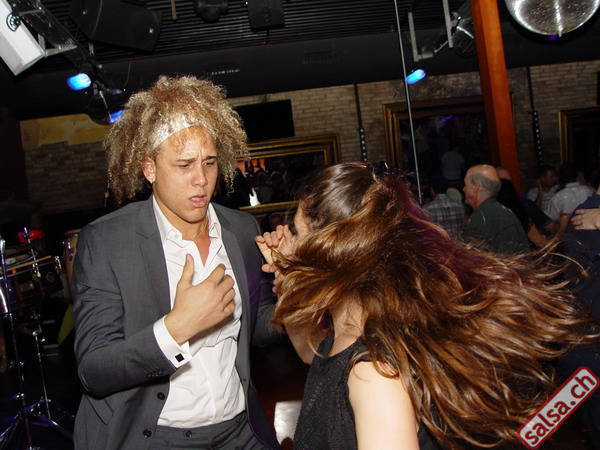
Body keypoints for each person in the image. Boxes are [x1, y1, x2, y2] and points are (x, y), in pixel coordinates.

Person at [256, 162, 598, 449]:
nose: (289, 244)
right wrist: (288, 280)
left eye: (297, 233)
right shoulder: (352, 329)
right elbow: (312, 354)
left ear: (335, 250)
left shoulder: (374, 376)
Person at [72, 76, 280, 450]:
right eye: (184, 165)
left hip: (239, 429)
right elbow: (94, 370)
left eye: (210, 163)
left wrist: (296, 291)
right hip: (156, 437)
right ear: (149, 168)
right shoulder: (107, 241)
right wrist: (177, 328)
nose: (201, 180)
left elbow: (259, 326)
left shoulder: (241, 229)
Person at [462, 164, 529, 253]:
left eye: (466, 185)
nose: (463, 189)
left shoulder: (481, 218)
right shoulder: (505, 212)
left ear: (476, 188)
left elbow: (469, 258)